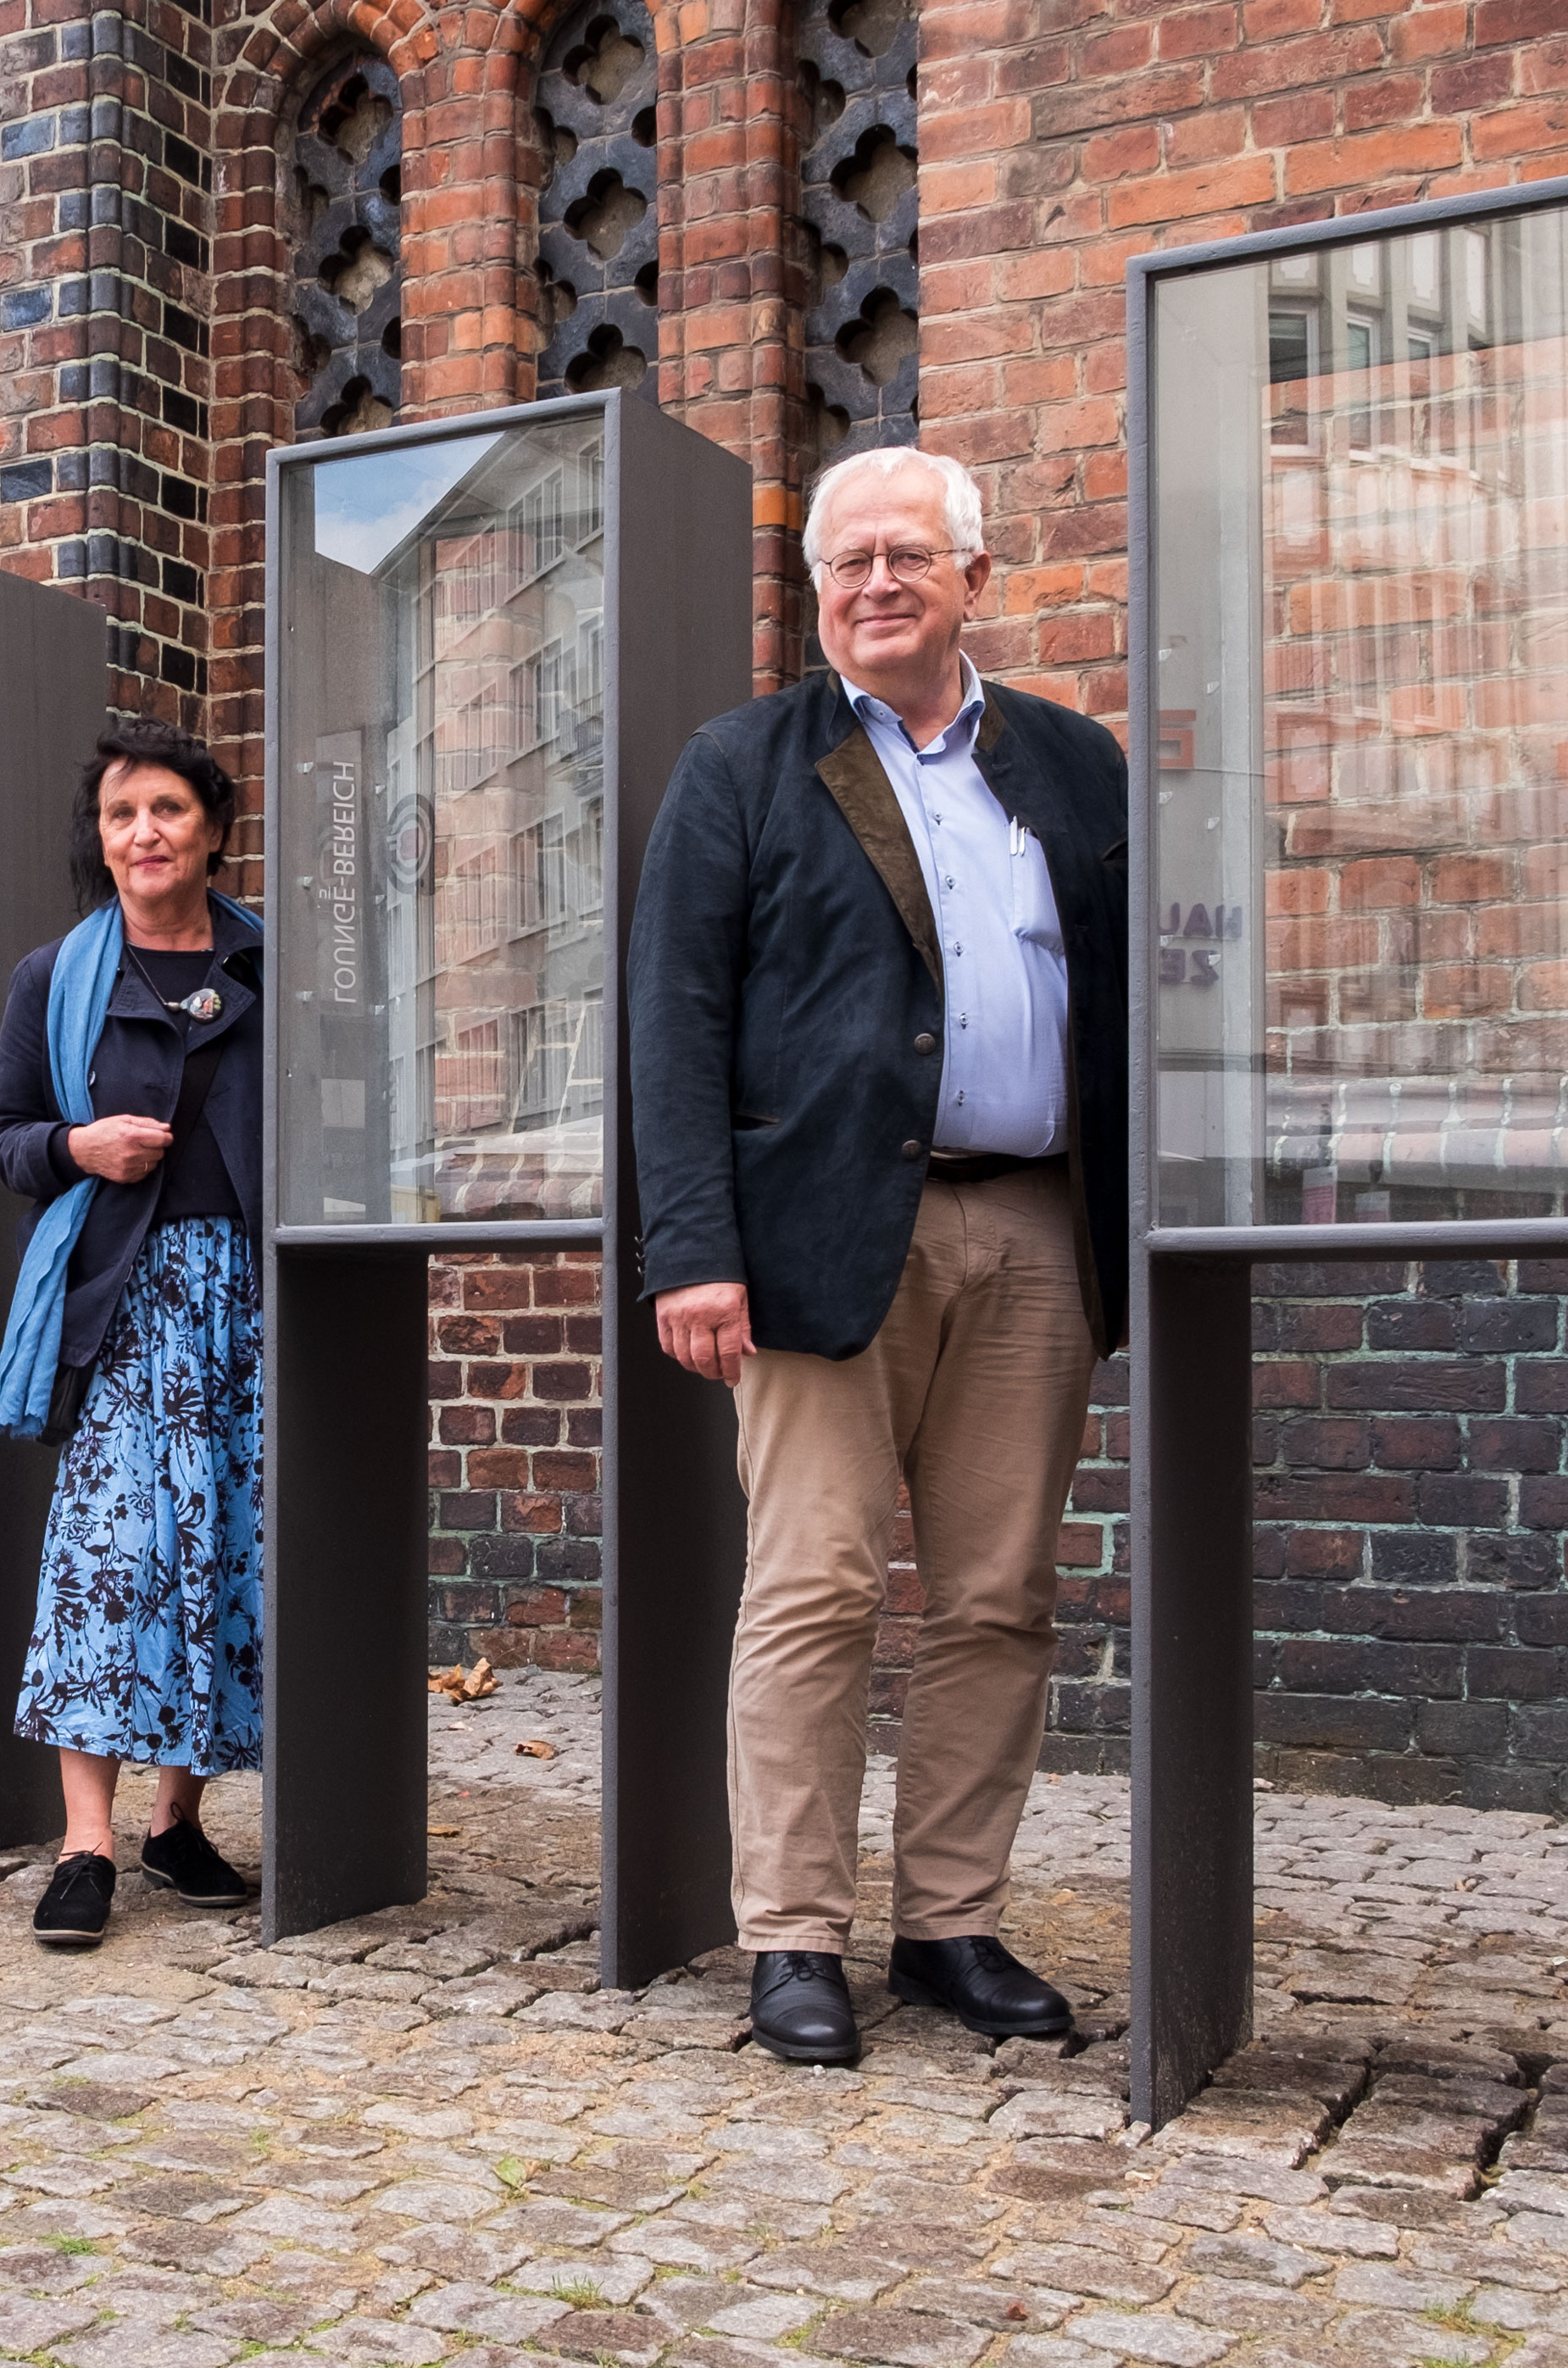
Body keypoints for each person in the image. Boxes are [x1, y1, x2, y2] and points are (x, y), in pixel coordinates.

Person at [627, 446, 1128, 2063]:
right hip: (811, 1248)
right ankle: (791, 1937)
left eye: (909, 555)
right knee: (815, 1588)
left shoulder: (1071, 762)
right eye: (848, 563)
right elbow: (675, 1023)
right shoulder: (745, 764)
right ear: (819, 592)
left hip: (1035, 1227)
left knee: (998, 1596)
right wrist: (690, 1249)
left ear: (975, 579)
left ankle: (950, 1926)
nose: (876, 583)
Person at [0, 714, 264, 1951]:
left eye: (165, 810)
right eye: (119, 816)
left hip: (249, 1299)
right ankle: (84, 1844)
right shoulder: (58, 977)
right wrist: (78, 1147)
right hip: (125, 1298)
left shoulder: (273, 960)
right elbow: (3, 1138)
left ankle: (176, 1822)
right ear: (99, 842)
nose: (142, 833)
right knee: (108, 1559)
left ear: (211, 828)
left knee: (222, 1551)